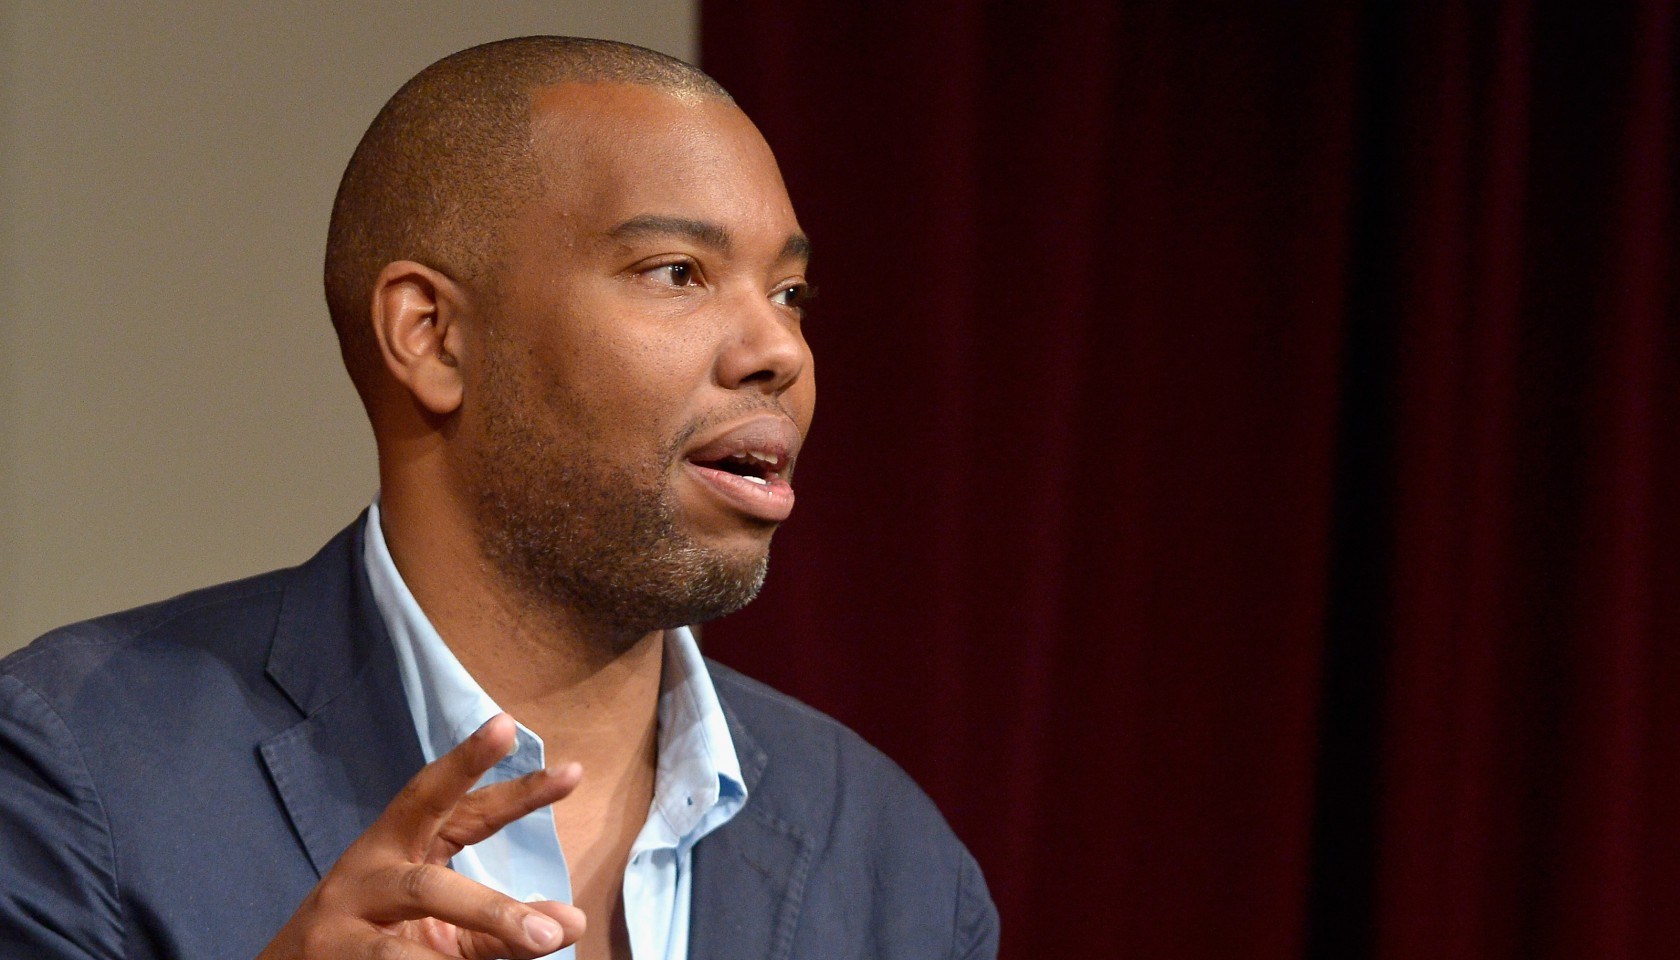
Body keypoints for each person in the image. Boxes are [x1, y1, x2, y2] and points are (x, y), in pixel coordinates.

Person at [0, 37, 998, 960]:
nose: (779, 351)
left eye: (788, 294)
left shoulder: (893, 868)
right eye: (678, 273)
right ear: (433, 336)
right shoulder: (75, 770)